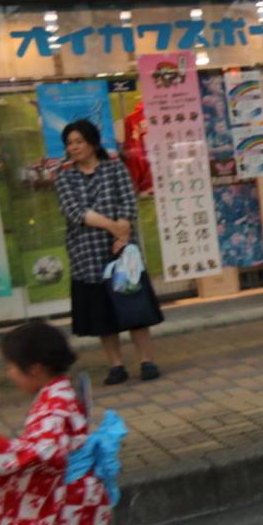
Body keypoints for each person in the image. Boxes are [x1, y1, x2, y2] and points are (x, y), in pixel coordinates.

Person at [0, 321, 166, 525]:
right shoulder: (57, 393)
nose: (8, 375)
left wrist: (4, 452)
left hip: (68, 499)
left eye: (10, 367)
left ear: (34, 369)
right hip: (78, 494)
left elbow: (42, 452)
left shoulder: (55, 403)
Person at [55, 120, 162, 386]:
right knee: (102, 314)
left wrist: (122, 234)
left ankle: (146, 360)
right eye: (69, 143)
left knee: (134, 305)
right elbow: (75, 212)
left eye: (79, 141)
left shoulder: (115, 169)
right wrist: (115, 228)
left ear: (92, 142)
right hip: (87, 254)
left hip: (122, 252)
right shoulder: (65, 177)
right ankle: (115, 365)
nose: (74, 147)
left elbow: (128, 201)